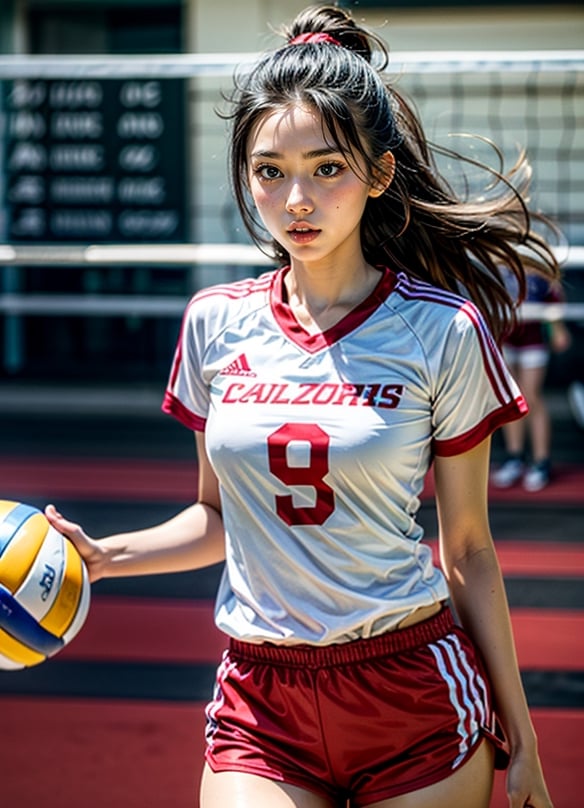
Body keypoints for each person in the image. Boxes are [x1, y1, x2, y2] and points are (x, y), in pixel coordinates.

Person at [45, 6, 558, 807]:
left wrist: (523, 740)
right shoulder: (214, 322)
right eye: (268, 171)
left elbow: (468, 551)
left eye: (326, 168)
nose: (296, 200)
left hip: (409, 688)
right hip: (262, 694)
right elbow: (217, 518)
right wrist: (106, 556)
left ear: (379, 174)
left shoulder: (440, 329)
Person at [491, 273, 571, 491]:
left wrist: (557, 328)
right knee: (510, 399)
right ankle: (514, 457)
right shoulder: (499, 267)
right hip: (505, 335)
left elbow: (553, 298)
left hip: (532, 338)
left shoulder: (539, 271)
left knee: (531, 396)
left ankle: (541, 461)